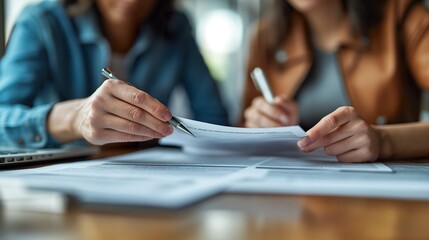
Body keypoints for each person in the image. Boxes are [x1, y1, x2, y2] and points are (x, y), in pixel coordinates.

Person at [0, 0, 229, 148]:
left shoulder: (175, 26)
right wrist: (73, 119)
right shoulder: (42, 23)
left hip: (150, 175)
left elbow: (214, 118)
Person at [241, 0, 429, 162]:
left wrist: (384, 140)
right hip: (287, 185)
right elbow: (237, 131)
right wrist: (258, 129)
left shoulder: (402, 14)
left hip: (384, 191)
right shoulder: (264, 38)